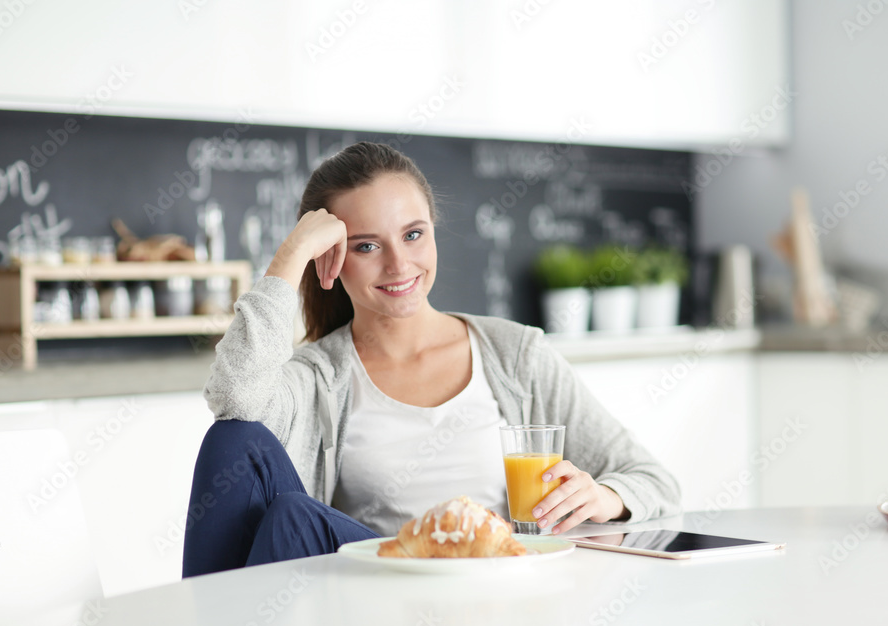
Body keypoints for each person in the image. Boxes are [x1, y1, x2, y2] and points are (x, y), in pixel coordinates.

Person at [182, 141, 680, 578]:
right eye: (367, 246)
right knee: (239, 444)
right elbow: (235, 399)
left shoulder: (515, 357)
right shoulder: (318, 377)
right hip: (374, 597)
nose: (399, 265)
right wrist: (290, 256)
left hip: (492, 590)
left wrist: (605, 497)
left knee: (292, 515)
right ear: (331, 258)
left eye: (414, 234)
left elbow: (654, 480)